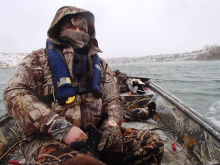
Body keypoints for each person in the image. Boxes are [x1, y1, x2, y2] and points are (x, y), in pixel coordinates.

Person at [3, 6, 164, 164]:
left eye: (82, 29)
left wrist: (111, 126)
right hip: (47, 139)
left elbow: (113, 101)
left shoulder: (101, 65)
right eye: (71, 27)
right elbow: (13, 94)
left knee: (152, 144)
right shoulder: (37, 59)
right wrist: (60, 128)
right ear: (58, 29)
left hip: (96, 136)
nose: (78, 32)